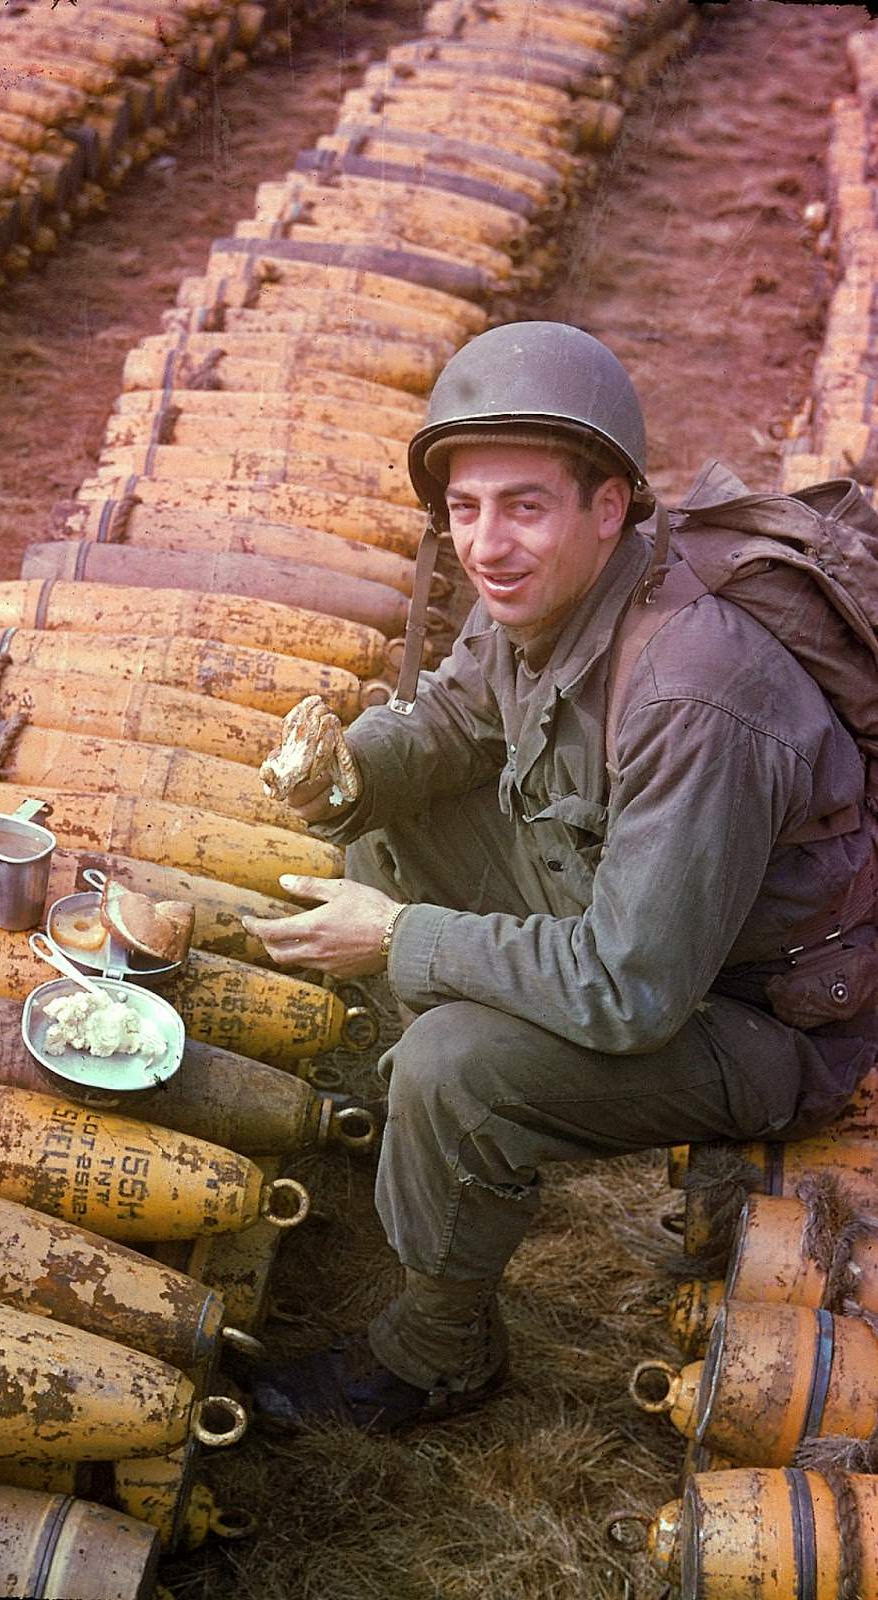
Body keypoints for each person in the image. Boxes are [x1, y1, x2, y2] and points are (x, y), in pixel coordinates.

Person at [240, 321, 878, 1433]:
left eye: (524, 505)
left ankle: (437, 1355)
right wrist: (346, 774)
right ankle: (452, 1157)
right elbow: (450, 715)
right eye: (466, 508)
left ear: (611, 506)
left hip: (751, 1020)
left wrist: (403, 941)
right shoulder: (558, 598)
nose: (489, 543)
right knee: (390, 829)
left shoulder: (695, 692)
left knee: (454, 1066)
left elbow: (631, 989)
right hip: (642, 927)